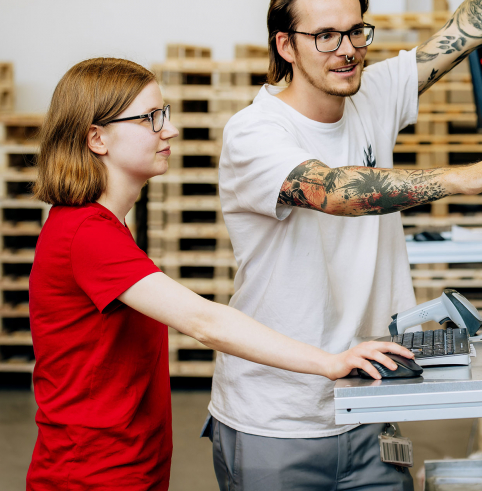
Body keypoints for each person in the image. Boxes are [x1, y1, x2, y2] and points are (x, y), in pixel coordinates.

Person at [207, 0, 482, 489]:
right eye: (324, 36)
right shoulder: (255, 133)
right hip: (278, 418)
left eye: (355, 32)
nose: (346, 51)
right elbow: (335, 191)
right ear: (285, 45)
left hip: (374, 403)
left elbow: (467, 27)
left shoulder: (372, 92)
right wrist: (466, 175)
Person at [26, 58, 413, 490]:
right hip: (91, 473)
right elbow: (203, 322)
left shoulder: (99, 227)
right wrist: (329, 363)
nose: (168, 130)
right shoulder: (86, 235)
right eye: (150, 119)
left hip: (125, 462)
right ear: (97, 138)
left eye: (165, 115)